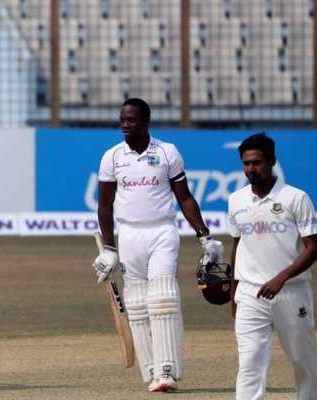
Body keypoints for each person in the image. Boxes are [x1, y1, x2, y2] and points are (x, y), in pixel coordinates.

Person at [94, 98, 223, 393]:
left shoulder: (167, 152)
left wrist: (204, 235)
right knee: (138, 305)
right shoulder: (112, 157)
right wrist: (109, 250)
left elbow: (185, 198)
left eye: (132, 120)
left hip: (162, 232)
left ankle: (168, 371)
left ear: (146, 121)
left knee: (163, 299)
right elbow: (104, 206)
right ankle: (151, 370)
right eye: (122, 120)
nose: (125, 125)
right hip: (129, 236)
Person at [228, 133, 317, 400]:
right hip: (249, 294)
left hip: (291, 291)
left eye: (256, 163)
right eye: (246, 163)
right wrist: (234, 294)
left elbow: (314, 248)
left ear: (271, 161)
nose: (250, 169)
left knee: (302, 361)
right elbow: (238, 246)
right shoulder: (237, 200)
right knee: (249, 364)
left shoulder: (296, 198)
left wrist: (281, 278)